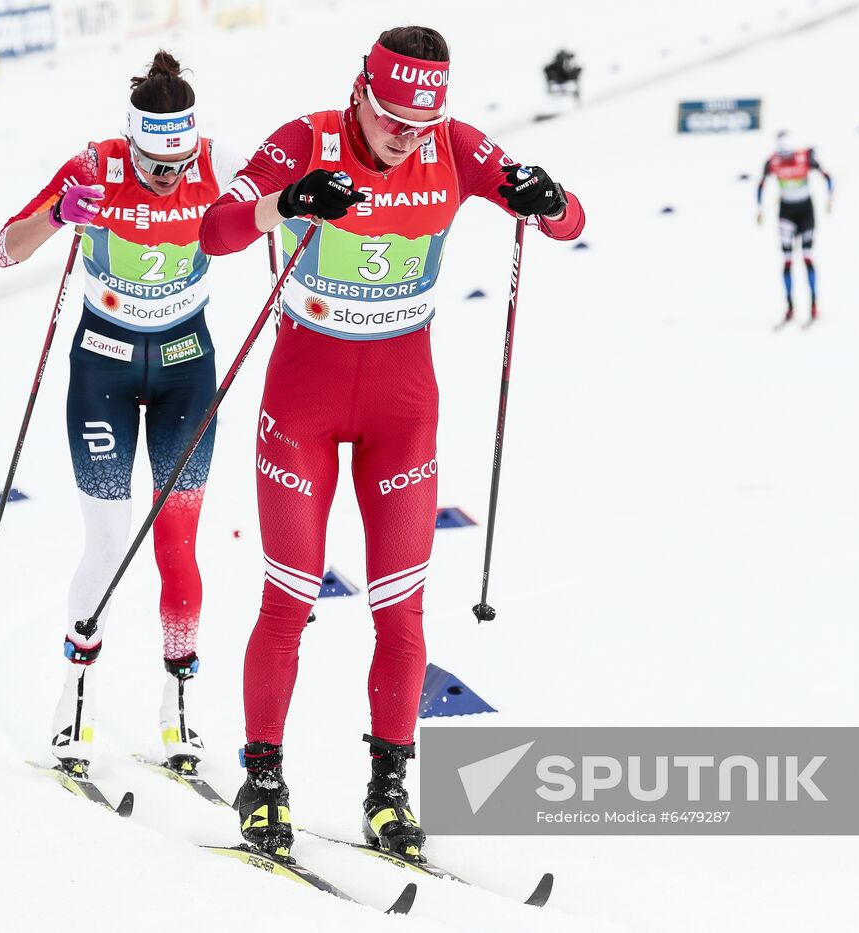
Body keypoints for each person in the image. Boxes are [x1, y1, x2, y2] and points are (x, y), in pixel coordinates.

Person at [198, 25, 586, 860]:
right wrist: (291, 200)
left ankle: (388, 789)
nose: (407, 135)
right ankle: (262, 777)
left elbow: (566, 219)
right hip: (300, 407)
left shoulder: (454, 145)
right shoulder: (307, 139)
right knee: (290, 597)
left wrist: (545, 198)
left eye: (422, 121)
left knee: (401, 608)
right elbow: (217, 230)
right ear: (361, 93)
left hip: (404, 411)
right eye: (392, 118)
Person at [0, 51, 244, 780]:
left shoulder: (218, 161)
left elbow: (283, 212)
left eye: (178, 162)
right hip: (100, 363)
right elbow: (4, 250)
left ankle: (179, 707)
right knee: (106, 544)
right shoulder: (94, 164)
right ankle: (74, 696)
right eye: (153, 164)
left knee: (177, 544)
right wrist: (55, 214)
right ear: (130, 141)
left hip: (185, 366)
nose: (167, 177)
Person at [756, 130, 834, 324]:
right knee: (787, 259)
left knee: (807, 256)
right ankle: (790, 307)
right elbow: (761, 184)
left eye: (788, 155)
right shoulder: (772, 161)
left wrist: (830, 197)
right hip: (786, 213)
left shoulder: (804, 157)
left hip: (806, 211)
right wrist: (759, 209)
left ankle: (813, 304)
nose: (785, 160)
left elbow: (827, 176)